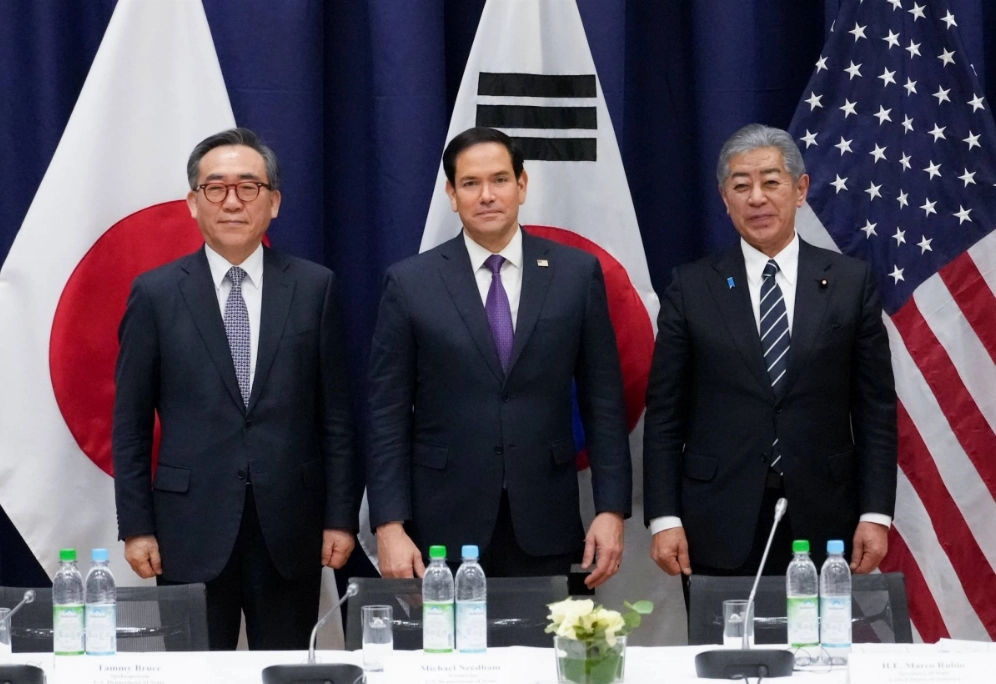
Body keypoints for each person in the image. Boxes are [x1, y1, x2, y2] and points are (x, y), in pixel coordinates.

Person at [113, 128, 360, 650]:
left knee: (287, 681)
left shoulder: (315, 288)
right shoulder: (155, 294)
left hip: (290, 529)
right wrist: (136, 526)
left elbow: (336, 418)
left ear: (273, 202)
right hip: (187, 529)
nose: (231, 202)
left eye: (248, 188)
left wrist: (340, 518)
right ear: (192, 202)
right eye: (215, 188)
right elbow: (130, 425)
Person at [366, 127, 632, 588]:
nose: (486, 195)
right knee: (445, 661)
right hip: (440, 527)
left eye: (500, 180)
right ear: (452, 194)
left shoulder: (575, 274)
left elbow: (604, 403)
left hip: (546, 519)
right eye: (470, 183)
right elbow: (386, 414)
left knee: (542, 657)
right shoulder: (411, 283)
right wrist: (389, 524)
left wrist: (611, 510)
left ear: (522, 185)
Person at [644, 123, 897, 583]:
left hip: (826, 519)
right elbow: (664, 413)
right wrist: (664, 517)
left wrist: (876, 513)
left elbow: (875, 409)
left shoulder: (849, 282)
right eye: (741, 186)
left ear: (800, 189)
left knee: (817, 654)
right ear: (725, 199)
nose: (756, 198)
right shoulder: (692, 286)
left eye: (771, 182)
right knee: (722, 653)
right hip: (716, 519)